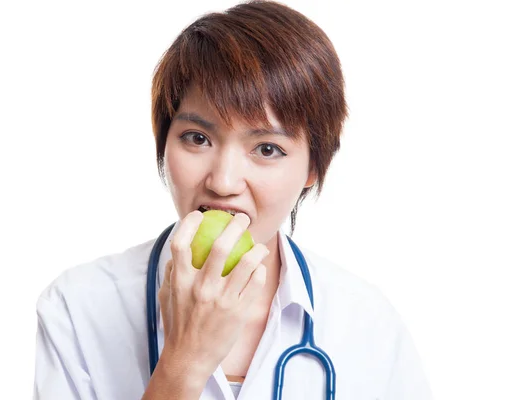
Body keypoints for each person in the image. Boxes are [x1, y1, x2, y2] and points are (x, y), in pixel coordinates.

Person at [33, 1, 433, 399]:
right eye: (197, 138)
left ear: (314, 166)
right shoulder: (78, 309)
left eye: (267, 149)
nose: (223, 182)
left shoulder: (368, 326)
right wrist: (183, 363)